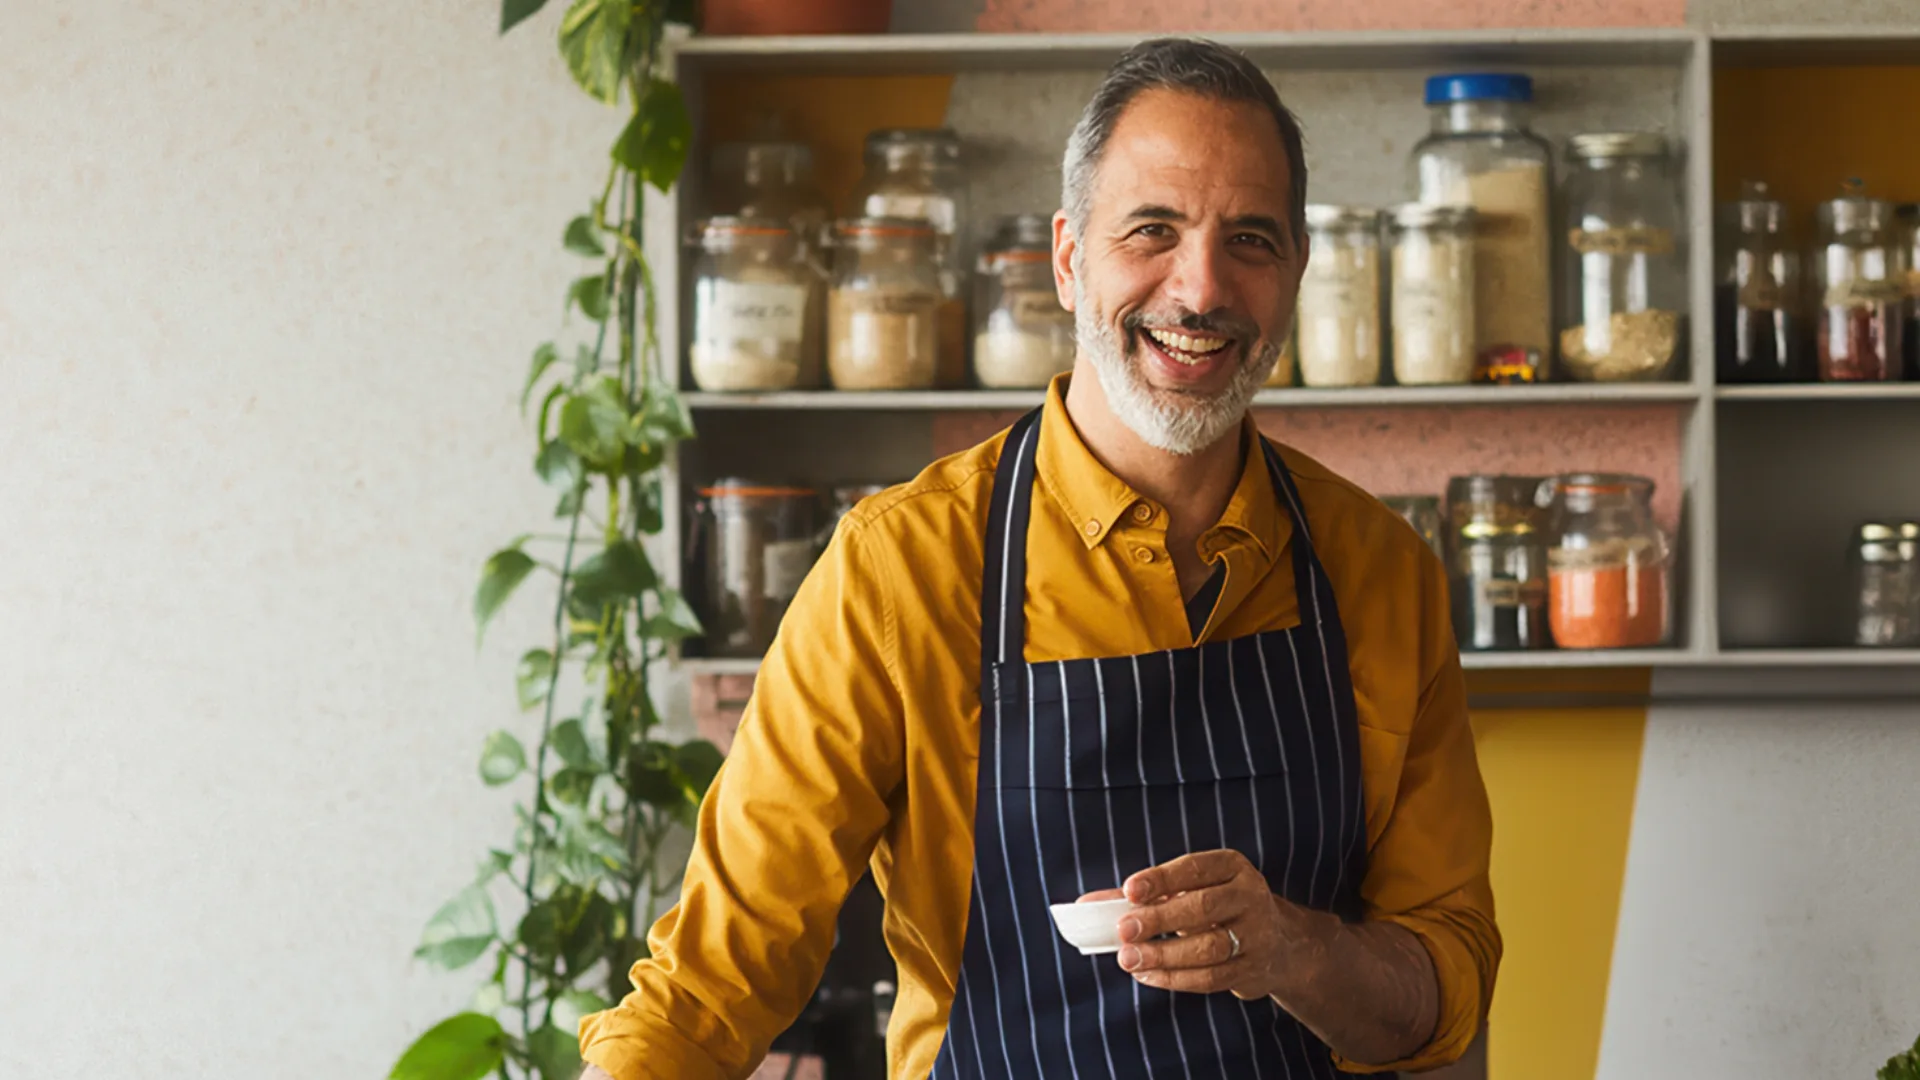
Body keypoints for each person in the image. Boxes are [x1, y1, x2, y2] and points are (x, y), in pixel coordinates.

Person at [580, 36, 1498, 1080]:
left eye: (1251, 239)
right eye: (1152, 230)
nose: (1201, 288)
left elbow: (1442, 987)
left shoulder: (1381, 572)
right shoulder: (902, 572)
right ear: (1068, 260)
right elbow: (709, 987)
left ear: (1293, 273)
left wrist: (1294, 948)